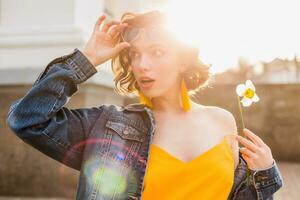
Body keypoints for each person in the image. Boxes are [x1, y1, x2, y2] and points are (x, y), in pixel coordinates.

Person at [7, 11, 283, 200]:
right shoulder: (107, 125)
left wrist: (264, 173)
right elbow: (28, 119)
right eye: (134, 54)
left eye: (158, 52)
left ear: (183, 60)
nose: (142, 65)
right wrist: (87, 59)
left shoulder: (223, 121)